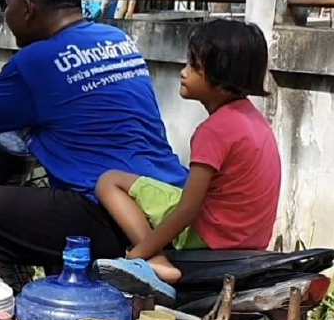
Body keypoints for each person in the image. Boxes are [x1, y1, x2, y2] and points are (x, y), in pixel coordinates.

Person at [0, 0, 188, 272]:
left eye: (7, 2)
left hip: (106, 213)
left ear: (27, 9)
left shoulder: (36, 62)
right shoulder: (117, 40)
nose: (5, 12)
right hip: (164, 199)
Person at [93, 20, 280, 300]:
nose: (183, 72)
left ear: (222, 82)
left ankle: (156, 260)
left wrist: (137, 254)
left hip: (210, 238)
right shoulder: (254, 121)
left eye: (194, 67)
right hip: (250, 238)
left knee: (110, 181)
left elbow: (188, 210)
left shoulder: (214, 130)